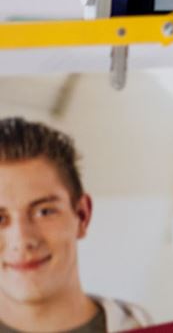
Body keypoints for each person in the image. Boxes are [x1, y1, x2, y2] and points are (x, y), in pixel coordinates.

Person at [0, 117, 153, 333]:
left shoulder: (145, 327)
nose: (22, 240)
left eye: (44, 212)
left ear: (82, 216)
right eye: (0, 219)